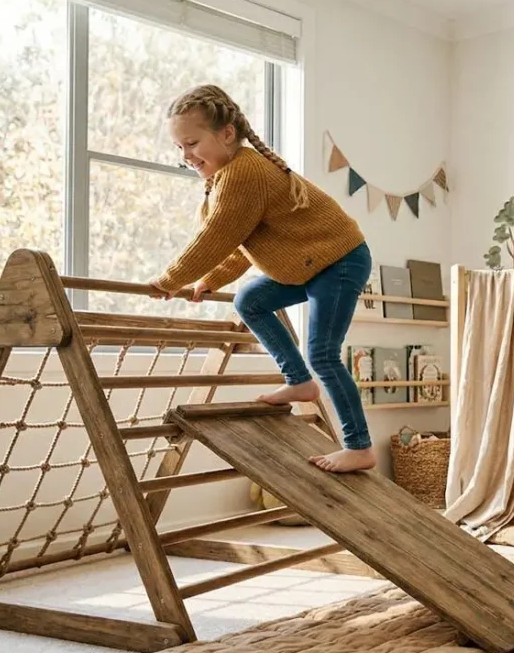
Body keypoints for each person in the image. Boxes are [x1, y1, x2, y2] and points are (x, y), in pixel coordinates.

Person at [148, 84, 375, 473]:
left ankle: (359, 447)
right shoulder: (226, 176)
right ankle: (299, 381)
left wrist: (171, 279)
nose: (185, 156)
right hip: (306, 264)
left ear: (226, 134)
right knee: (249, 300)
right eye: (179, 148)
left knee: (322, 352)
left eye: (192, 143)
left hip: (339, 260)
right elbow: (240, 243)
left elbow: (216, 236)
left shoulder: (245, 172)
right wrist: (212, 280)